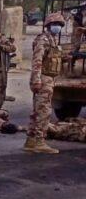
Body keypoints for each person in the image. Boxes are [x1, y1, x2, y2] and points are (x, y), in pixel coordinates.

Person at [24, 12, 65, 154]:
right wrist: (36, 80)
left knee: (38, 111)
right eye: (55, 24)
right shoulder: (44, 39)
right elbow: (37, 61)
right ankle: (39, 141)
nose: (57, 27)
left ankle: (31, 140)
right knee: (43, 111)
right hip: (43, 79)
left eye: (59, 25)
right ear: (48, 25)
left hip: (48, 79)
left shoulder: (52, 40)